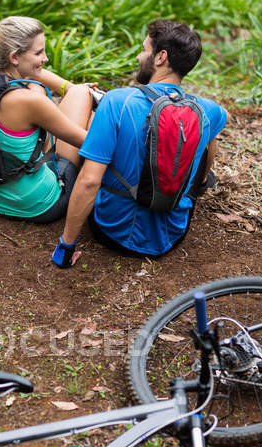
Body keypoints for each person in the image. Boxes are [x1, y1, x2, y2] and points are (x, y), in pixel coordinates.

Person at [52, 19, 228, 268]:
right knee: (207, 132)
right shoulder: (205, 109)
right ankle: (199, 184)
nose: (138, 56)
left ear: (161, 57)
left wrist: (66, 246)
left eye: (144, 49)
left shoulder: (117, 101)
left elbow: (90, 180)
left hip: (113, 231)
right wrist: (201, 178)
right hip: (174, 231)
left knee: (96, 128)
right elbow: (224, 118)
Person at [0, 16, 94, 223]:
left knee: (76, 93)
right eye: (39, 53)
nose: (46, 59)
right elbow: (91, 145)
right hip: (38, 204)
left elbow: (34, 75)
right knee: (85, 103)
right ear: (14, 57)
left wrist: (66, 88)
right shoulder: (30, 100)